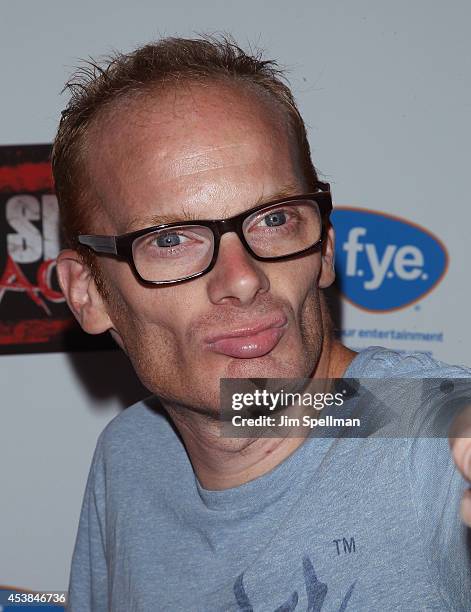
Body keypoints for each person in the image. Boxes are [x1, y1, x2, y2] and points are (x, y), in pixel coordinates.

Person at [53, 35, 471, 611]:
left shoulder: (427, 438)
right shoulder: (131, 459)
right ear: (87, 293)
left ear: (324, 246)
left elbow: (416, 411)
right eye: (170, 238)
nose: (242, 277)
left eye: (274, 218)